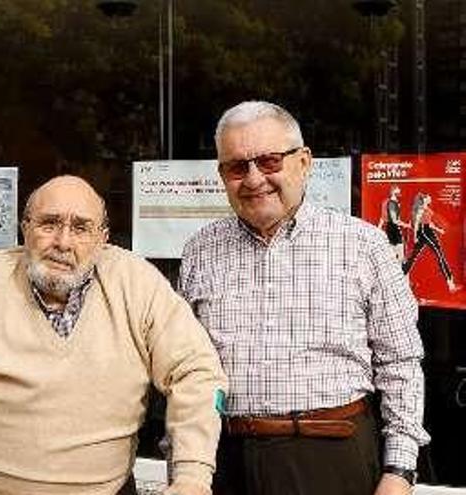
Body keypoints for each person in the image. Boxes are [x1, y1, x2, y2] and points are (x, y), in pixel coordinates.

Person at [0, 175, 227, 495]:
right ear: (25, 229)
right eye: (49, 224)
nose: (63, 242)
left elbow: (196, 373)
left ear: (103, 238)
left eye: (81, 228)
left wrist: (192, 476)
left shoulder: (138, 285)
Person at [179, 101, 429, 495]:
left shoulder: (363, 245)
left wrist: (399, 471)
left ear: (304, 162)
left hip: (331, 455)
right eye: (237, 167)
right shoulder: (199, 251)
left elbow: (400, 363)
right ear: (222, 174)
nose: (254, 179)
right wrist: (184, 467)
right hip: (223, 461)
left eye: (270, 161)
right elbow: (184, 369)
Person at [402, 192, 458, 292]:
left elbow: (429, 223)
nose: (430, 198)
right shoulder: (420, 209)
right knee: (439, 255)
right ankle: (450, 284)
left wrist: (438, 229)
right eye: (428, 197)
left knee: (413, 256)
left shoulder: (427, 209)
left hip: (427, 231)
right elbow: (417, 224)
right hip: (424, 232)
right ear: (424, 199)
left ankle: (401, 275)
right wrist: (415, 237)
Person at [377, 185, 410, 262]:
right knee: (399, 255)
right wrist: (406, 225)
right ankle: (399, 271)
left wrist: (378, 229)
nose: (400, 191)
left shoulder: (391, 203)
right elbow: (394, 220)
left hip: (390, 228)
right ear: (393, 191)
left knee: (394, 253)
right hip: (393, 228)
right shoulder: (392, 204)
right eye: (398, 190)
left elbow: (383, 217)